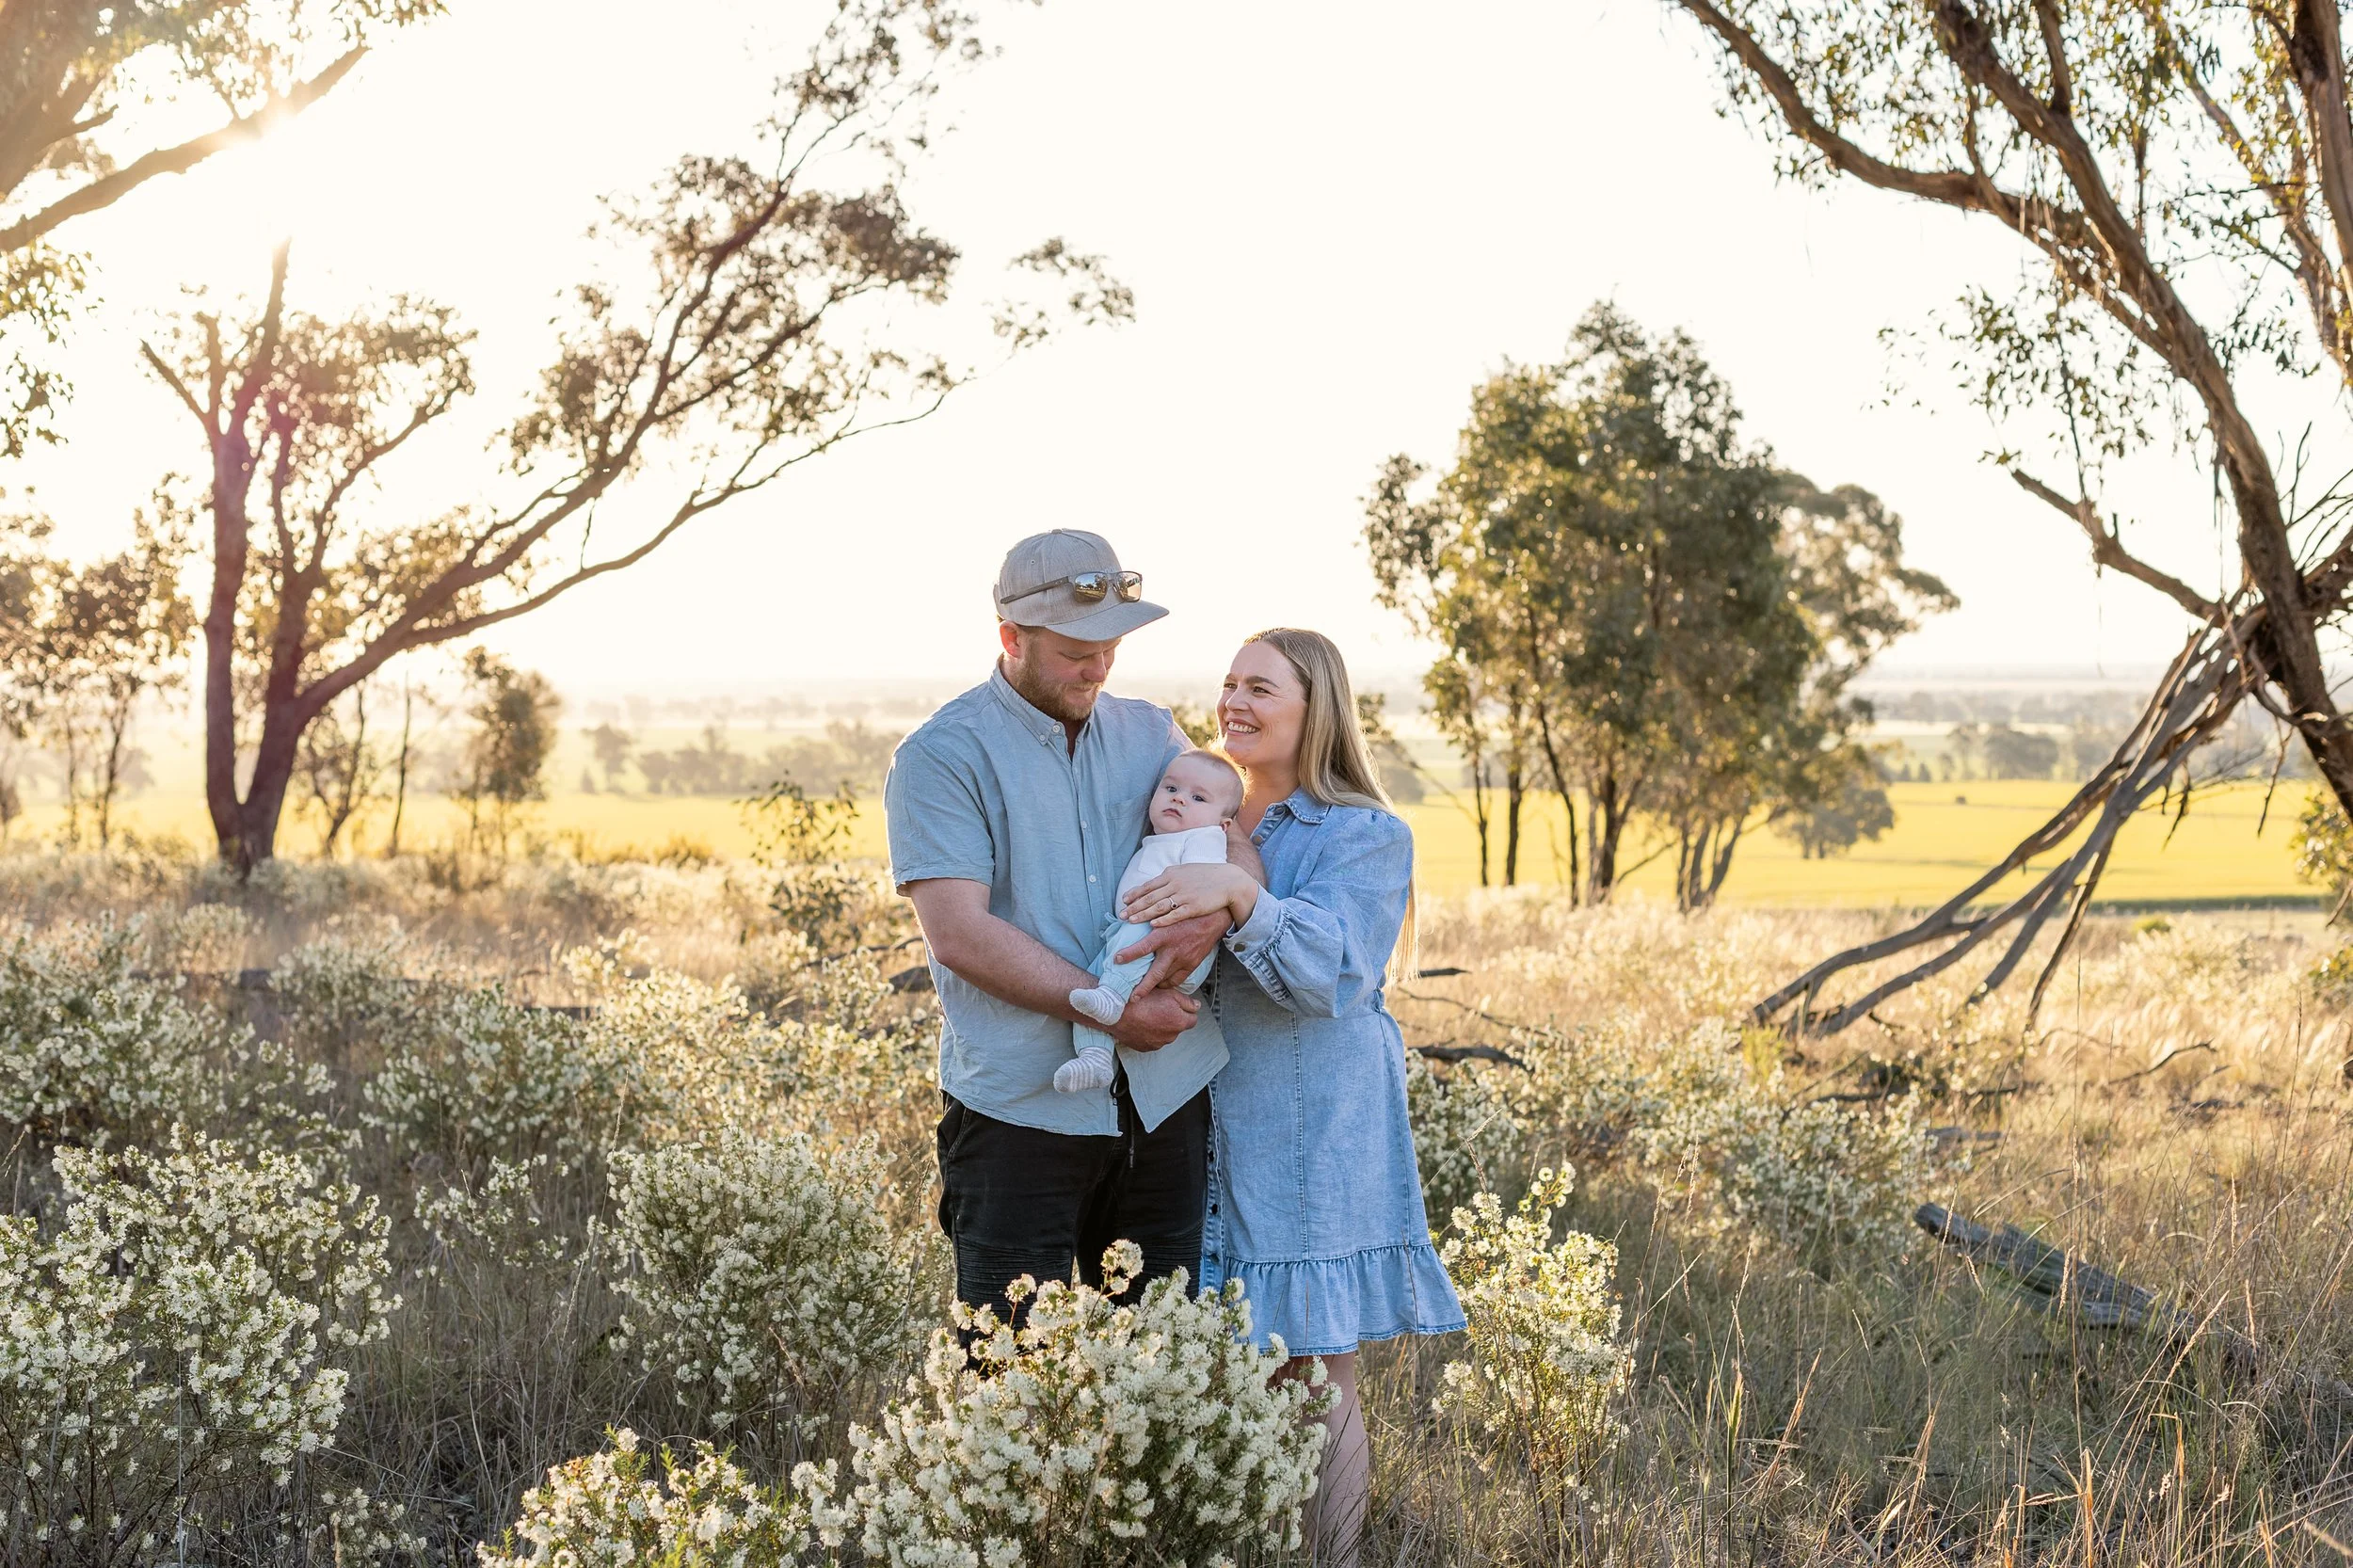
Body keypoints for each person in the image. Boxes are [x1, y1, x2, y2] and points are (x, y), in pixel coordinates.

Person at [1120, 626, 1465, 1565]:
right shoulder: (1192, 813)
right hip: (1202, 1123)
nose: (1235, 699)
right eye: (1229, 682)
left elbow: (1332, 975)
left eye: (1260, 687)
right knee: (1223, 1356)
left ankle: (1329, 1557)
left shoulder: (1362, 833)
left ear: (1315, 709)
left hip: (1314, 1126)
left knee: (1314, 1361)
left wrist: (1239, 895)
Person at [883, 529, 1233, 1320]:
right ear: (1012, 637)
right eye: (1078, 648)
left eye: (1113, 642)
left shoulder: (1152, 732)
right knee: (1008, 1382)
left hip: (1165, 1100)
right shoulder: (941, 756)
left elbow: (1230, 835)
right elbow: (959, 934)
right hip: (1019, 1112)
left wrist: (1207, 921)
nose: (1100, 665)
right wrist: (1110, 1009)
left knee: (1169, 1368)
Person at [1057, 748, 1244, 1094]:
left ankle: (1113, 998)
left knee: (1110, 976)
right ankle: (1095, 1057)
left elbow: (1204, 893)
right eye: (1171, 789)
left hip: (1172, 944)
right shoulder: (1164, 838)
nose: (1180, 800)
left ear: (1223, 825)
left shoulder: (1205, 839)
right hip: (1133, 939)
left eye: (1198, 797)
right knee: (1093, 982)